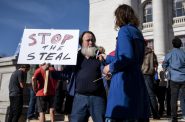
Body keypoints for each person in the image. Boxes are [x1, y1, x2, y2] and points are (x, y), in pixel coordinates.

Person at [103, 4, 150, 122]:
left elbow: (126, 57)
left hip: (124, 83)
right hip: (136, 81)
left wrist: (110, 67)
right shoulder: (137, 32)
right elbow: (130, 57)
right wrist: (110, 59)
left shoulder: (124, 31)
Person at [69, 31, 106, 122]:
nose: (91, 42)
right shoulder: (74, 58)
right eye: (88, 40)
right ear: (81, 42)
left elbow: (108, 73)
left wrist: (107, 72)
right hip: (79, 98)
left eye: (92, 40)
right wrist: (51, 71)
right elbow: (65, 74)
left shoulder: (100, 57)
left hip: (98, 98)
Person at [162, 37, 185, 122]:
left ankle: (174, 117)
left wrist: (167, 69)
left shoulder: (170, 54)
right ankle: (184, 115)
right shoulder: (183, 53)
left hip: (174, 78)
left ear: (173, 44)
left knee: (173, 98)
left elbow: (164, 64)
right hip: (184, 77)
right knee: (183, 98)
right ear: (181, 44)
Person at [141, 40, 160, 119]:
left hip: (140, 74)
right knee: (151, 94)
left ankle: (144, 114)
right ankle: (155, 114)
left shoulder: (138, 52)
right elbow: (156, 64)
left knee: (141, 94)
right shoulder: (152, 53)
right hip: (149, 75)